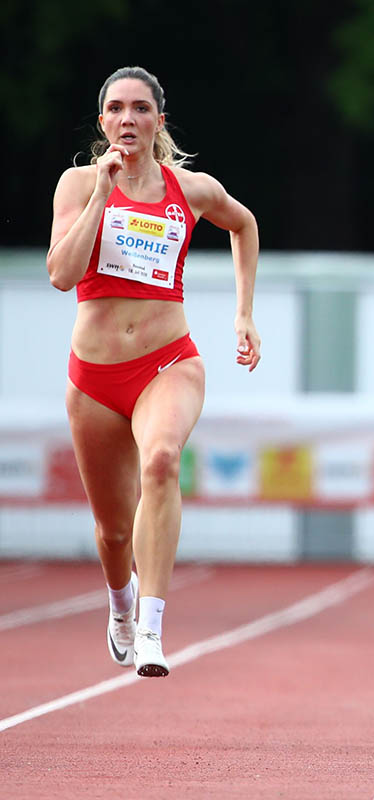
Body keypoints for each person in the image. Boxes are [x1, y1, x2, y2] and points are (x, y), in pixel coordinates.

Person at [46, 66, 261, 677]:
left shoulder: (189, 190)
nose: (129, 119)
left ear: (159, 121)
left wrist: (243, 315)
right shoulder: (78, 184)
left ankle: (151, 628)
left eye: (141, 109)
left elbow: (243, 224)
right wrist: (100, 195)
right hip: (94, 377)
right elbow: (62, 274)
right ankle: (119, 605)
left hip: (169, 361)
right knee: (114, 533)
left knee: (162, 460)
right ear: (102, 122)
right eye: (117, 109)